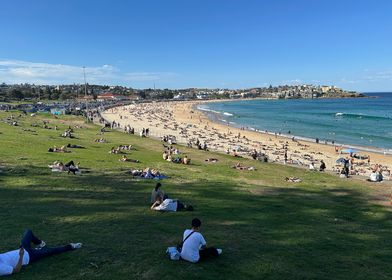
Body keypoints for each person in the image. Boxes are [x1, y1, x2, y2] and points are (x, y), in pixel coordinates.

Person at [0, 229, 82, 276]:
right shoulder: (1, 269)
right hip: (29, 256)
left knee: (28, 232)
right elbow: (16, 270)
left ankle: (40, 243)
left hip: (22, 249)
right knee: (51, 251)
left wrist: (21, 251)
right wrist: (21, 256)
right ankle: (71, 246)